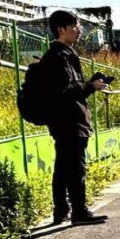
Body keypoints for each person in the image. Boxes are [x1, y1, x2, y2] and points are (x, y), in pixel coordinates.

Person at [42, 11, 109, 225]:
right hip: (69, 121)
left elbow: (67, 88)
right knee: (75, 168)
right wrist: (91, 86)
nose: (79, 30)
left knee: (63, 167)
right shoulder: (59, 57)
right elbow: (67, 90)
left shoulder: (58, 55)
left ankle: (61, 210)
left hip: (64, 120)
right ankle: (79, 212)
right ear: (62, 30)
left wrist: (89, 85)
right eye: (75, 26)